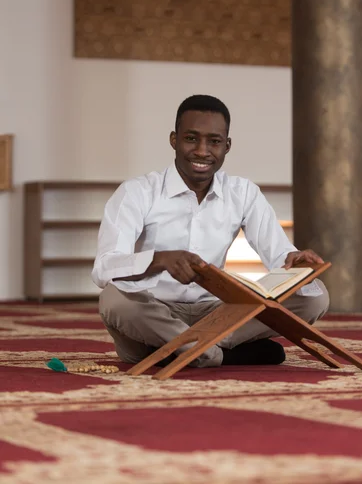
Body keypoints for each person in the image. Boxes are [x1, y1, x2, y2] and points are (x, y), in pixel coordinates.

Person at [92, 94, 329, 368]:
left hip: (217, 314)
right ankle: (219, 355)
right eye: (191, 138)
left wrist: (295, 262)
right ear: (174, 139)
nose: (202, 151)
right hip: (153, 311)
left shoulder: (243, 193)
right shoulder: (137, 192)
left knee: (314, 296)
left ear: (227, 146)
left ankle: (184, 352)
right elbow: (104, 268)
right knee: (113, 299)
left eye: (214, 141)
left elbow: (279, 256)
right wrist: (160, 260)